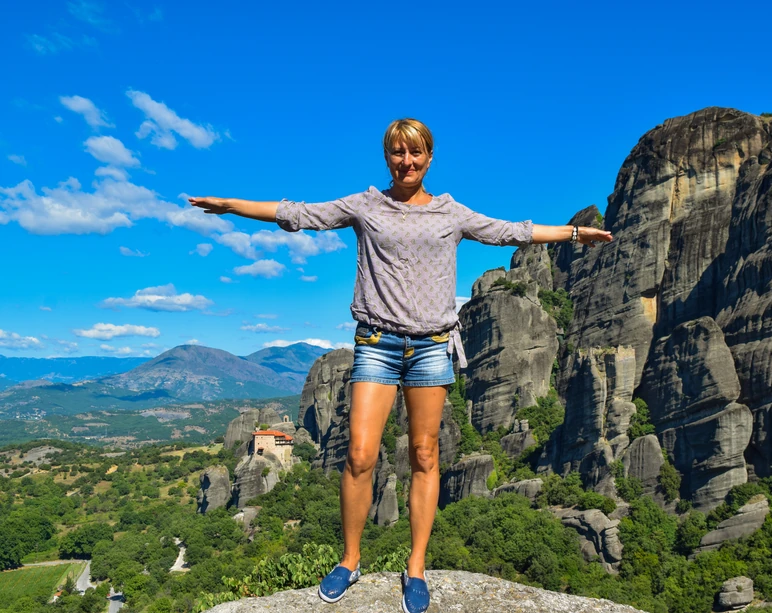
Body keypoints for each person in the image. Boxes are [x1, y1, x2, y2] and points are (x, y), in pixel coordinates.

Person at [189, 118, 612, 613]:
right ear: (387, 157)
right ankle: (350, 560)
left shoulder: (450, 213)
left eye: (415, 153)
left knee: (425, 455)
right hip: (377, 344)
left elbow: (509, 232)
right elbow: (297, 213)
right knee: (360, 455)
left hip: (432, 347)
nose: (406, 162)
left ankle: (416, 567)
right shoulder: (366, 206)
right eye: (397, 153)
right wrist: (229, 206)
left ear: (429, 157)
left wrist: (575, 233)